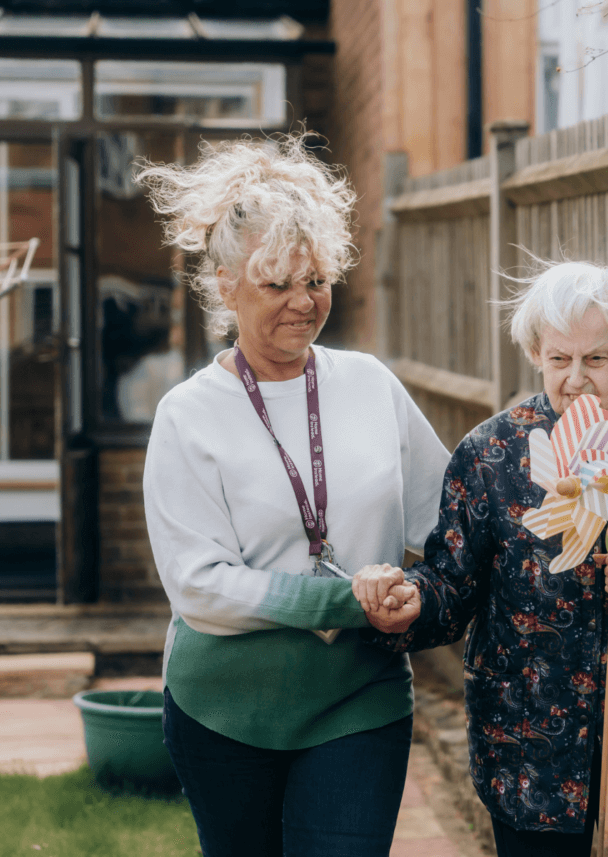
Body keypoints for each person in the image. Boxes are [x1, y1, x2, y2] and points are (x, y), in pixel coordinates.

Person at [353, 261, 608, 857]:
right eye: (558, 359)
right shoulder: (492, 452)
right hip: (529, 756)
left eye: (595, 359)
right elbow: (451, 582)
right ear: (535, 354)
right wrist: (411, 603)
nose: (576, 379)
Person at [138, 136, 449, 857]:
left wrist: (424, 595)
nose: (303, 303)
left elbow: (450, 521)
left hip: (358, 698)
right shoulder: (189, 414)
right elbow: (199, 586)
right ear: (225, 285)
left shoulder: (370, 384)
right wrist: (349, 601)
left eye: (315, 280)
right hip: (223, 709)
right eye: (276, 284)